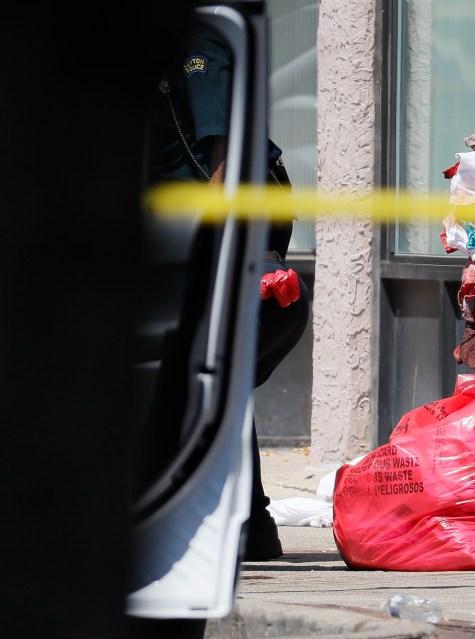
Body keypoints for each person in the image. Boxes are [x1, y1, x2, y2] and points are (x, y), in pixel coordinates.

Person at [149, 22, 310, 561]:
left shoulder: (196, 48)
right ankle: (249, 525)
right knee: (219, 385)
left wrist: (212, 254)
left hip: (223, 251)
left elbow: (225, 160)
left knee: (204, 378)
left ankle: (237, 524)